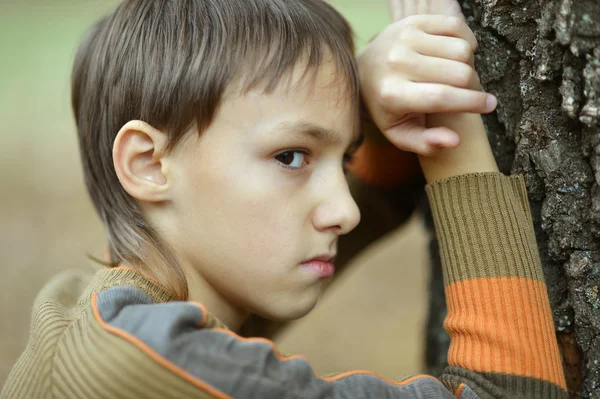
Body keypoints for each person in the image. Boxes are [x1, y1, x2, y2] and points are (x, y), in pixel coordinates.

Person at [1, 0, 568, 398]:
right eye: (291, 157)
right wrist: (449, 118)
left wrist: (380, 99)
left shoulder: (101, 312)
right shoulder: (148, 365)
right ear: (149, 164)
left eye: (343, 161)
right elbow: (514, 394)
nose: (344, 212)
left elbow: (381, 195)